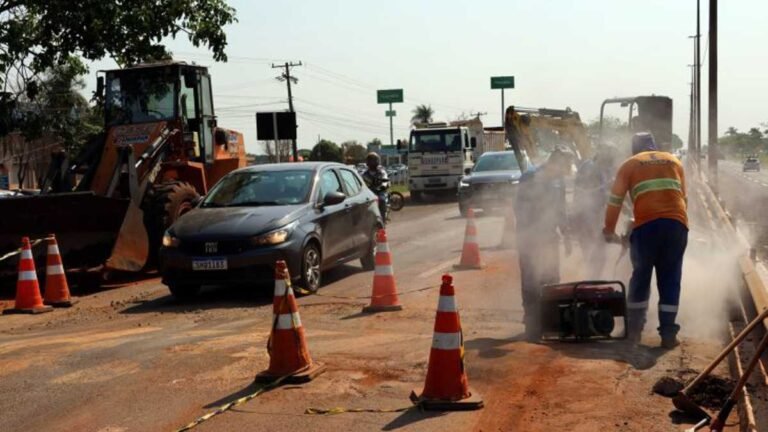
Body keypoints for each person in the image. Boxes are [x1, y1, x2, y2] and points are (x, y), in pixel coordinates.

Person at [603, 132, 688, 349]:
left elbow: (615, 201)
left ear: (634, 149)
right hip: (677, 225)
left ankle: (634, 333)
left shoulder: (630, 165)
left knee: (641, 277)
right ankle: (668, 335)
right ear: (654, 146)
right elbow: (683, 198)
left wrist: (609, 230)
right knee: (670, 279)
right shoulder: (674, 161)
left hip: (646, 228)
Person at [515, 147, 574, 341]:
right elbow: (520, 209)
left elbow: (560, 208)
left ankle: (548, 320)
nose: (566, 171)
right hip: (531, 238)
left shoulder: (559, 181)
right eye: (565, 166)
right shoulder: (530, 176)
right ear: (555, 162)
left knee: (551, 278)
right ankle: (532, 324)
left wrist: (566, 235)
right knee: (531, 280)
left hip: (549, 237)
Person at [572, 146, 616, 279]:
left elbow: (602, 193)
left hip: (595, 214)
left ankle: (593, 279)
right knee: (594, 250)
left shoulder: (598, 168)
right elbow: (585, 192)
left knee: (597, 252)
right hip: (586, 215)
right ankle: (592, 281)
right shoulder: (589, 167)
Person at [361, 152, 390, 221]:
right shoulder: (364, 174)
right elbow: (361, 184)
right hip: (369, 193)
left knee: (382, 200)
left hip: (379, 192)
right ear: (367, 162)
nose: (372, 162)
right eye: (370, 160)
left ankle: (383, 220)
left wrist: (383, 186)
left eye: (374, 160)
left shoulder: (381, 172)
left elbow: (385, 180)